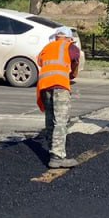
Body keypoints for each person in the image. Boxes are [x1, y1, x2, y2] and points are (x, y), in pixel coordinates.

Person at [37, 28, 81, 168]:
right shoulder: (70, 47)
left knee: (50, 120)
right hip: (59, 86)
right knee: (60, 121)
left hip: (44, 86)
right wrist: (72, 73)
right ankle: (58, 156)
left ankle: (51, 151)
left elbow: (40, 61)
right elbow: (75, 60)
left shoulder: (47, 47)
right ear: (68, 38)